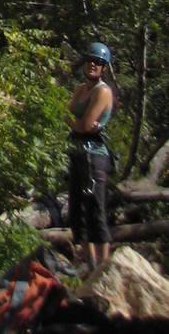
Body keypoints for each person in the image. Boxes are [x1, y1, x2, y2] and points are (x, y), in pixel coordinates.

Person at [67, 41, 115, 270]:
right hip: (77, 151)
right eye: (90, 61)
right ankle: (88, 260)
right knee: (77, 208)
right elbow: (69, 115)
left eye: (98, 63)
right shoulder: (81, 89)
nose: (93, 65)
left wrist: (75, 123)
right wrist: (77, 124)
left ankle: (104, 266)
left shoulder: (103, 91)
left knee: (96, 209)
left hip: (94, 155)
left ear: (104, 67)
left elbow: (84, 125)